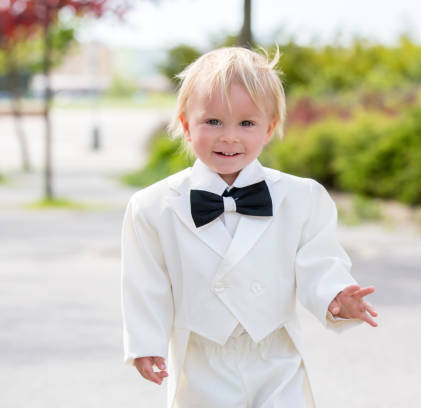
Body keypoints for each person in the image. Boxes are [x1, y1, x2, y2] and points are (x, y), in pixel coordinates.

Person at [120, 46, 378, 408]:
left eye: (246, 123)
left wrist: (335, 297)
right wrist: (146, 343)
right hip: (202, 358)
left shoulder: (301, 197)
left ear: (269, 128)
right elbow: (145, 282)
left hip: (275, 354)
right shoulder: (152, 206)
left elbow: (319, 262)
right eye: (213, 122)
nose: (229, 136)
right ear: (185, 125)